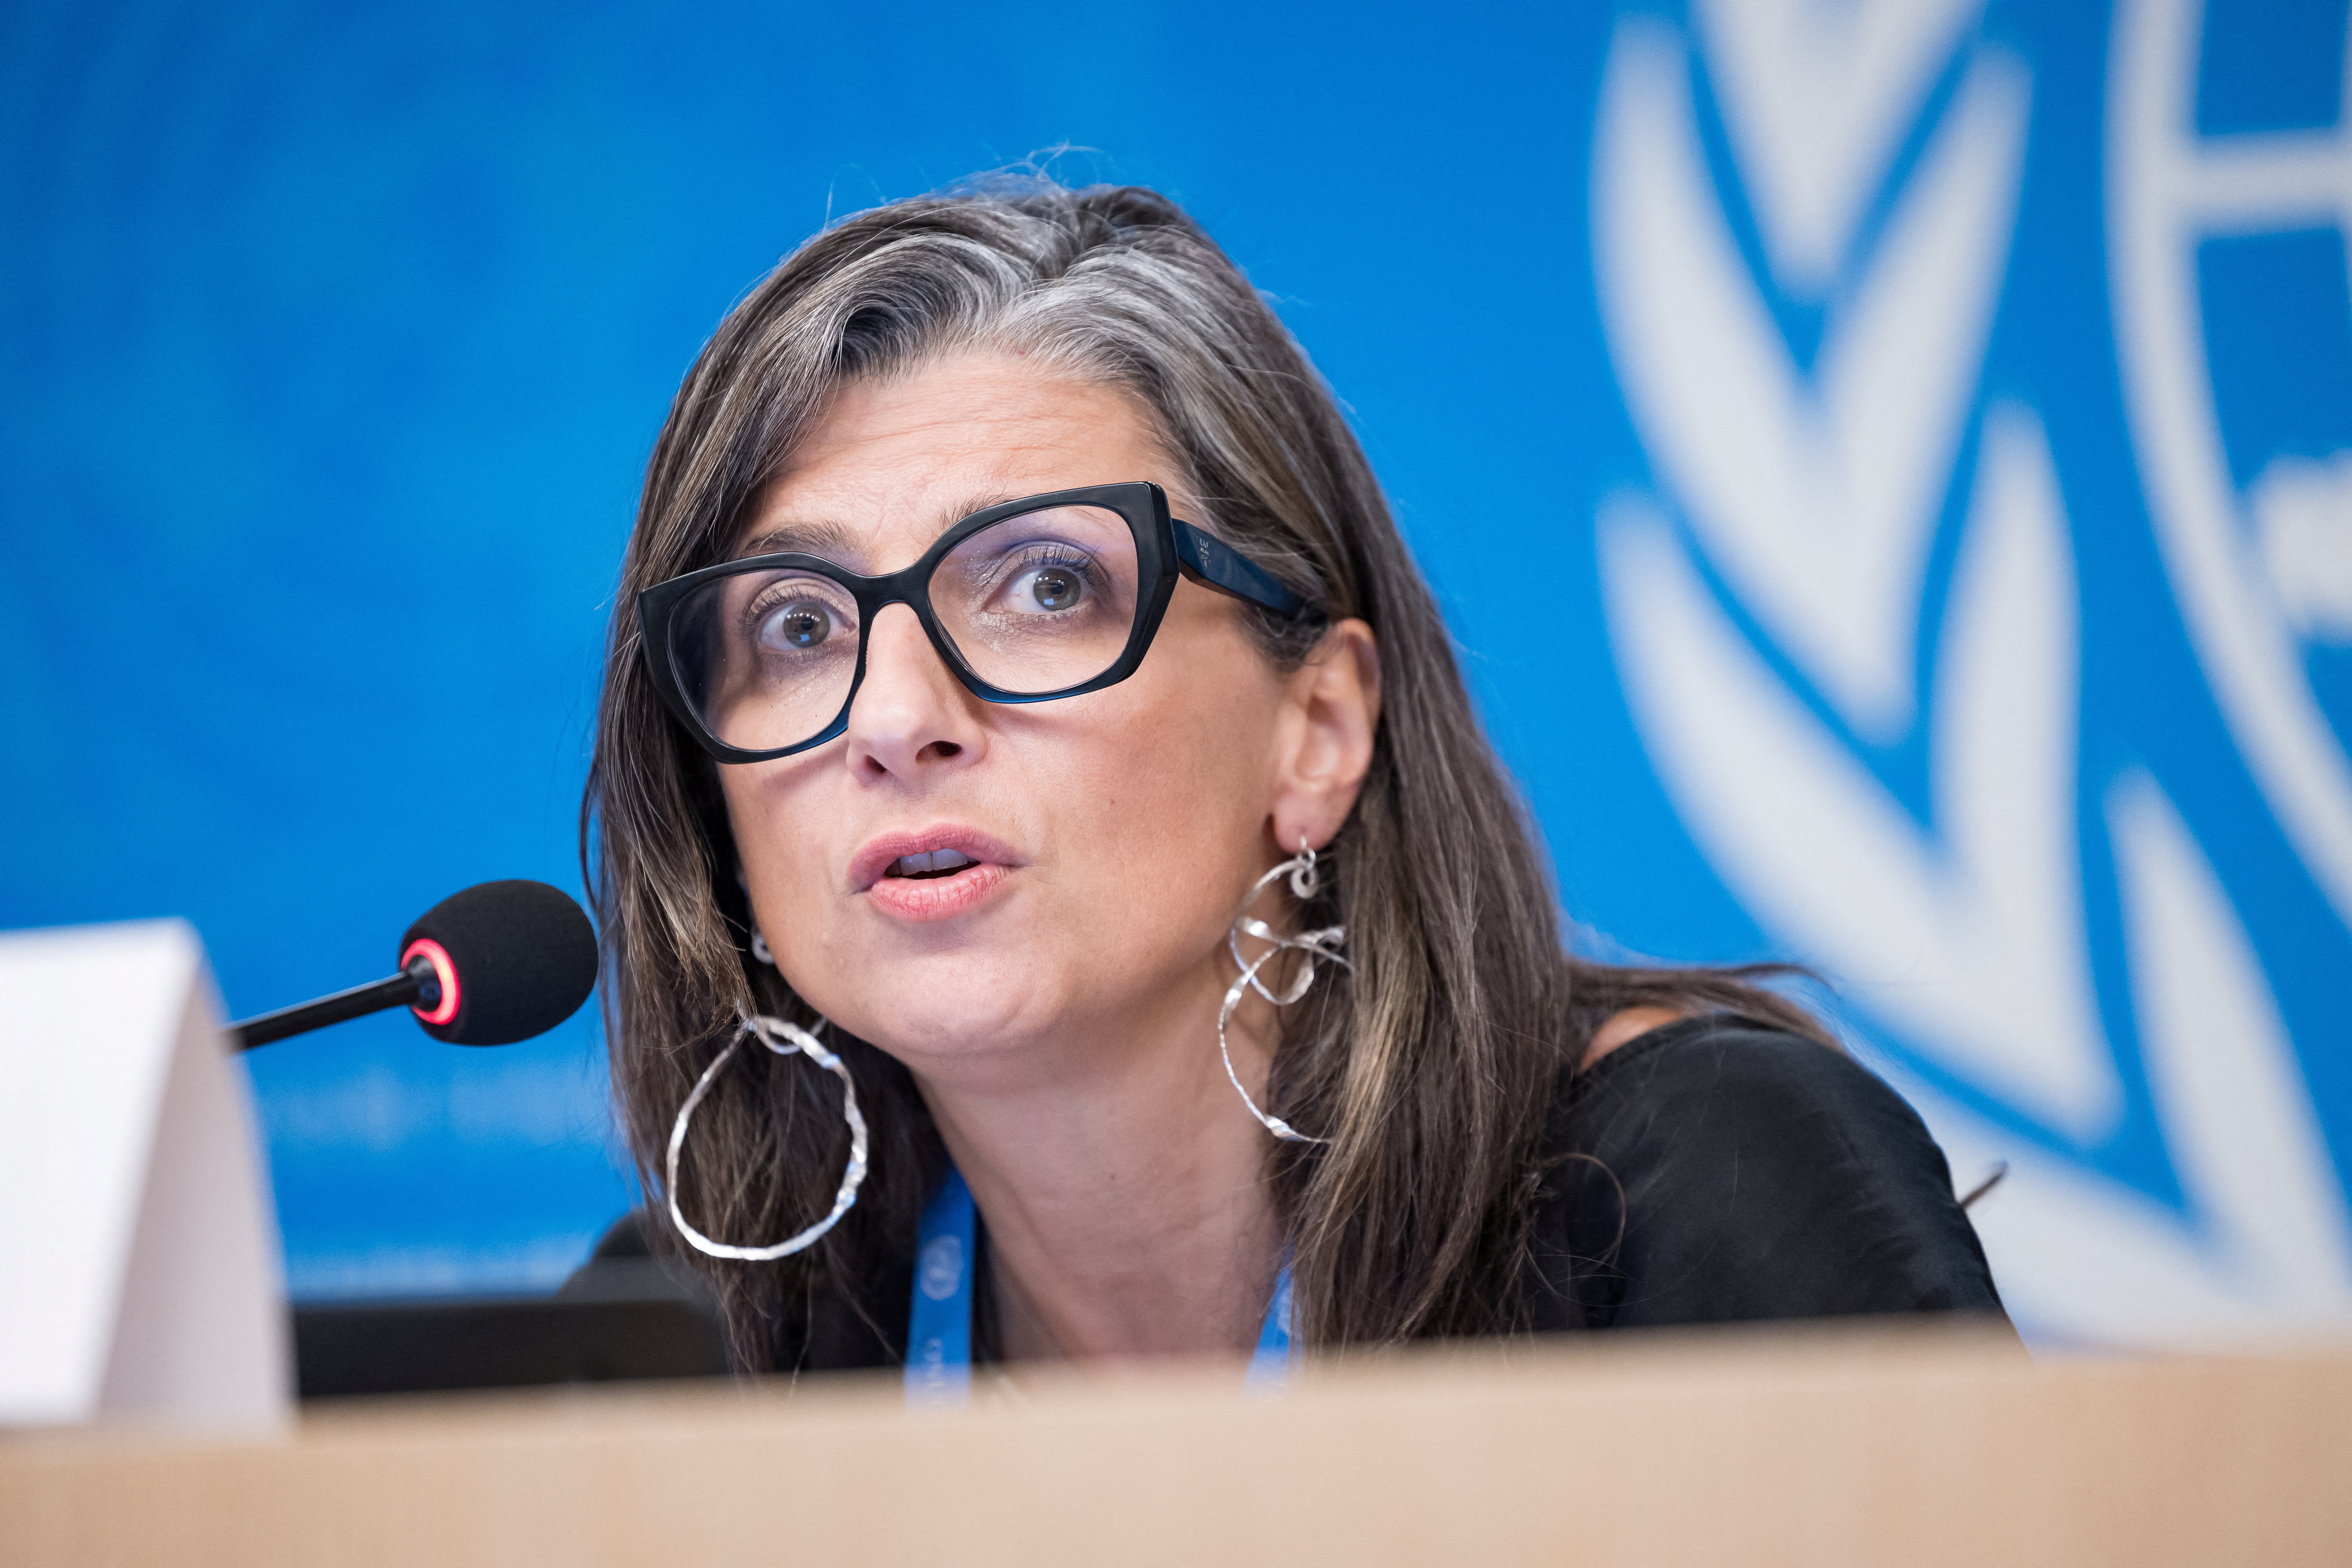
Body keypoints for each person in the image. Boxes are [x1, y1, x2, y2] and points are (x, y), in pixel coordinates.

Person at [581, 175, 2005, 1383]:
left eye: (1047, 585)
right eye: (798, 625)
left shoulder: (1689, 1196)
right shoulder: (709, 1335)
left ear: (1317, 728)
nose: (893, 716)